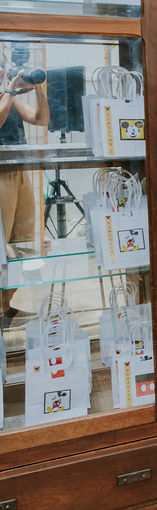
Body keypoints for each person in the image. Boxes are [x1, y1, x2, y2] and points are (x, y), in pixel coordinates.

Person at [0, 44, 48, 320]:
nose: (2, 69)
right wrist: (10, 89)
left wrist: (37, 87)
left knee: (23, 240)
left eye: (3, 64)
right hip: (1, 175)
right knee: (2, 244)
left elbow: (41, 119)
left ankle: (5, 306)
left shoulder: (9, 95)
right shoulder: (6, 94)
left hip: (20, 172)